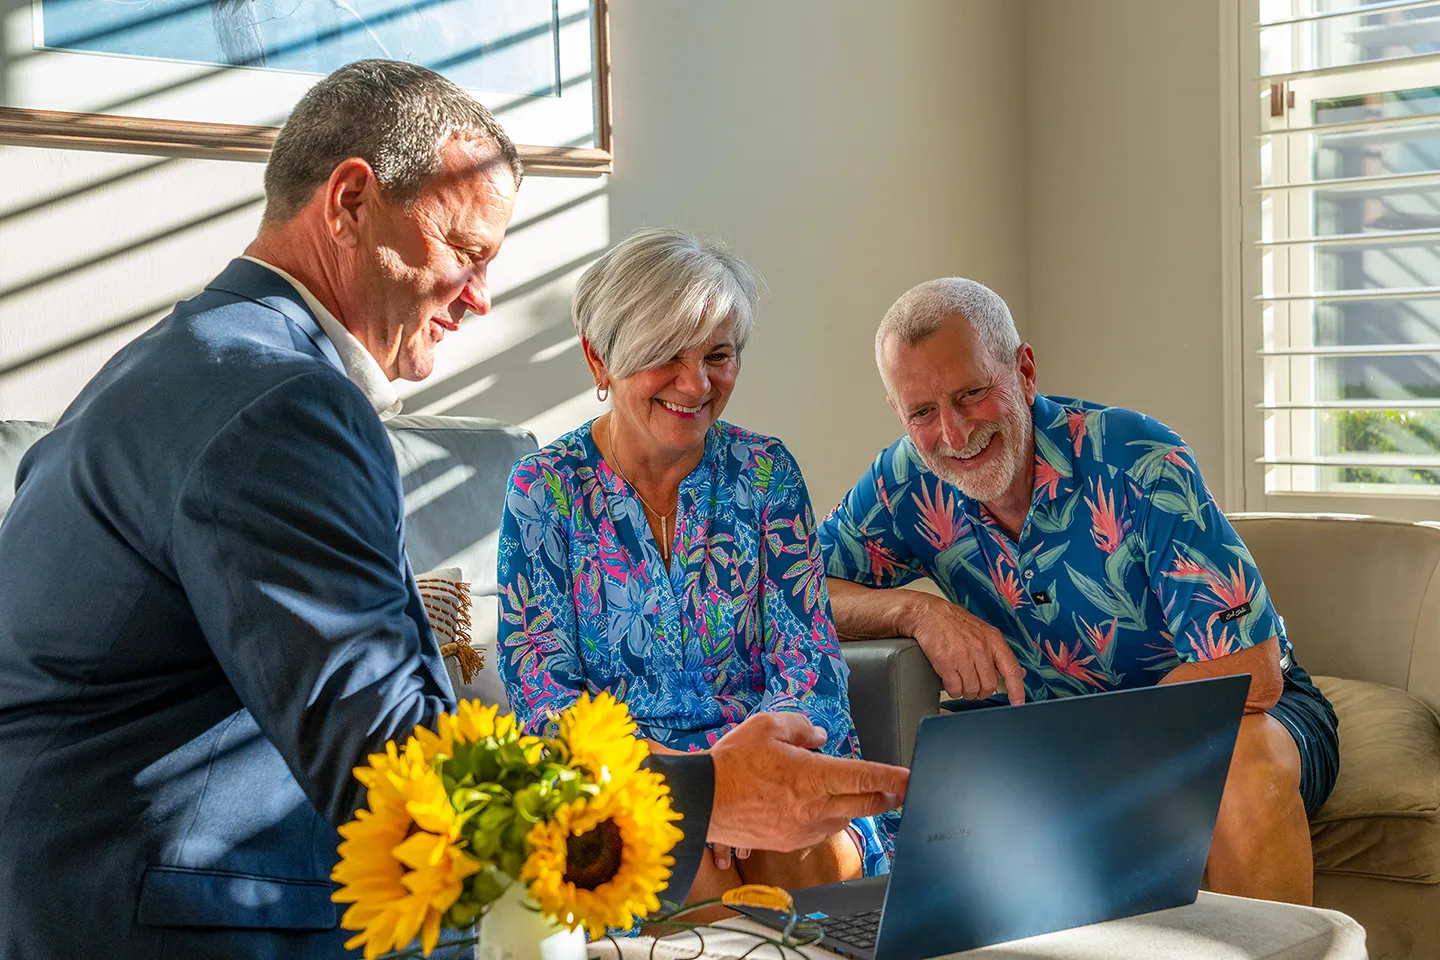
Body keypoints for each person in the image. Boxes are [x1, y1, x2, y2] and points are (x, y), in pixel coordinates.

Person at [0, 63, 907, 960]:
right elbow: (397, 765)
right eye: (469, 254)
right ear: (352, 200)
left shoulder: (176, 367)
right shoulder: (284, 405)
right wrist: (708, 794)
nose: (479, 298)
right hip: (175, 911)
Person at [817, 278, 1339, 907]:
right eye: (922, 413)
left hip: (1219, 716)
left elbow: (1253, 673)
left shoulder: (1141, 459)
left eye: (972, 395)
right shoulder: (904, 481)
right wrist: (915, 608)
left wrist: (1099, 754)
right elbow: (795, 589)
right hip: (1044, 737)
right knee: (871, 829)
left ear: (1024, 370)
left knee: (1241, 764)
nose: (953, 435)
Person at [497, 228, 891, 901]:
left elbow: (810, 665)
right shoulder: (545, 488)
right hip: (627, 787)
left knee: (799, 859)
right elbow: (542, 697)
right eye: (663, 357)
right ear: (600, 360)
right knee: (692, 879)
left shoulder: (767, 473)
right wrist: (697, 789)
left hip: (782, 769)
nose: (696, 383)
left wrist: (754, 782)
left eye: (718, 355)